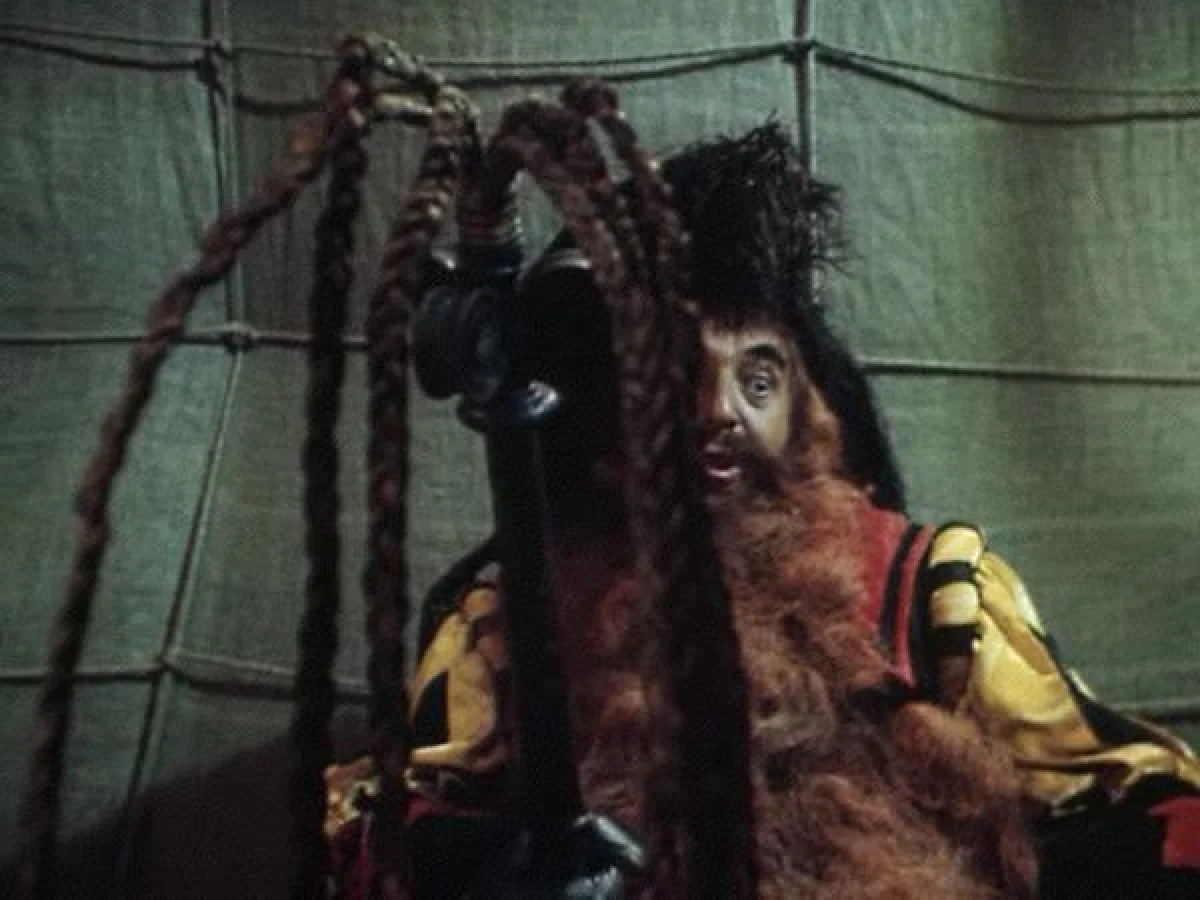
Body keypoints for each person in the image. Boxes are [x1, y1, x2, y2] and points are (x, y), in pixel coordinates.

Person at [326, 124, 1200, 897]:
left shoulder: (936, 589)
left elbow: (1146, 802)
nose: (719, 413)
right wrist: (498, 865)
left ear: (809, 409)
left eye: (758, 378)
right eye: (679, 371)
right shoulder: (509, 613)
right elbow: (365, 821)